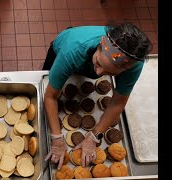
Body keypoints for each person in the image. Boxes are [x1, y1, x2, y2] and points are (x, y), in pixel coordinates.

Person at [43, 22, 152, 170]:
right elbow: (50, 96)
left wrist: (94, 136)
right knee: (51, 77)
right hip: (62, 48)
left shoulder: (133, 64)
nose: (99, 74)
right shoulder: (74, 49)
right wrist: (56, 138)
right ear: (98, 47)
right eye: (98, 62)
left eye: (109, 73)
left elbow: (118, 103)